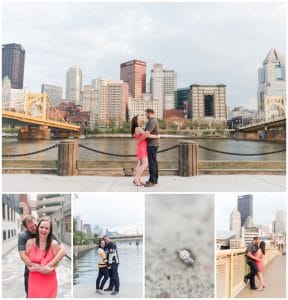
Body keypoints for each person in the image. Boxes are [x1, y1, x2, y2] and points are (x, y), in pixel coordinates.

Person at [18, 215, 65, 297]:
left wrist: (49, 267)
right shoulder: (24, 238)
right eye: (31, 227)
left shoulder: (50, 235)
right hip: (31, 273)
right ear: (26, 228)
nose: (35, 228)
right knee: (29, 295)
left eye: (36, 225)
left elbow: (62, 252)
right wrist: (31, 266)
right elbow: (23, 255)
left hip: (49, 277)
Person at [131, 115, 160, 186]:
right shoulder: (138, 128)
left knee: (140, 164)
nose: (141, 119)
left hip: (141, 146)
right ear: (136, 120)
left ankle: (138, 180)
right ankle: (136, 179)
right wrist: (157, 136)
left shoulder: (137, 128)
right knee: (145, 164)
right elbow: (147, 135)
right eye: (140, 118)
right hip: (142, 147)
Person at [140, 108, 159, 187]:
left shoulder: (152, 121)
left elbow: (147, 133)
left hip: (152, 144)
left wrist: (140, 140)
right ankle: (155, 180)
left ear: (150, 113)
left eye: (146, 113)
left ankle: (152, 181)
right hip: (153, 144)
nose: (145, 115)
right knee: (154, 162)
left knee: (152, 163)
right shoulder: (153, 121)